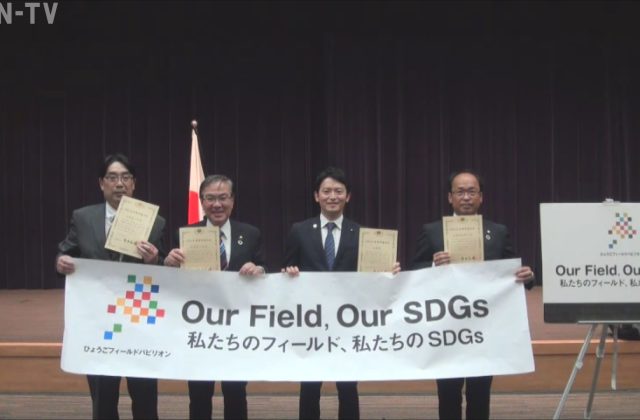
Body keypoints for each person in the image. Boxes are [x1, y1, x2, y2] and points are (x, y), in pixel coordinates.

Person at [410, 170, 534, 420]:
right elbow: (413, 271)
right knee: (448, 392)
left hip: (484, 328)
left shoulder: (498, 232)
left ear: (481, 197)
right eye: (460, 192)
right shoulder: (432, 231)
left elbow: (511, 270)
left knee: (480, 392)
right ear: (450, 197)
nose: (466, 197)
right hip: (446, 326)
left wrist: (528, 276)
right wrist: (433, 265)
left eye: (471, 192)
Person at [282, 166, 400, 420]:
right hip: (311, 321)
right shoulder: (299, 231)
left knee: (347, 386)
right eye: (326, 191)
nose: (332, 196)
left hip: (348, 322)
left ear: (348, 196)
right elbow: (287, 270)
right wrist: (288, 272)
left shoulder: (362, 234)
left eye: (338, 191)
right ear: (316, 196)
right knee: (310, 386)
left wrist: (387, 272)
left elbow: (371, 279)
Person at [56, 153, 166, 420]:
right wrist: (61, 262)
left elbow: (165, 270)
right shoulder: (83, 217)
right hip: (99, 321)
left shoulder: (154, 220)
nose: (119, 184)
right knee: (103, 397)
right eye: (113, 177)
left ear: (134, 184)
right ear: (101, 183)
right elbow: (65, 252)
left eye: (126, 177)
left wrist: (154, 260)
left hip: (138, 318)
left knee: (144, 395)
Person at [164, 174, 266, 420]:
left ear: (232, 200)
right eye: (210, 198)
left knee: (236, 391)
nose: (217, 204)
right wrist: (168, 263)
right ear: (201, 201)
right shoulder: (186, 234)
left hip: (236, 325)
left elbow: (265, 269)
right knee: (199, 393)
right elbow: (173, 282)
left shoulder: (250, 233)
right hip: (199, 324)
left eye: (223, 198)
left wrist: (258, 269)